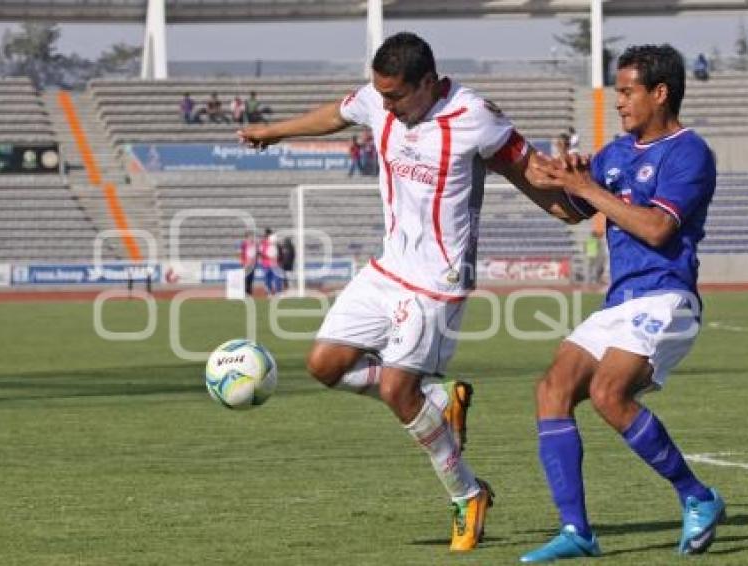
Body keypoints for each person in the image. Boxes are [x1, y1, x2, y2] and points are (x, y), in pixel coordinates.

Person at [240, 31, 582, 552]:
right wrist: (274, 131)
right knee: (325, 366)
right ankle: (441, 402)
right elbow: (337, 112)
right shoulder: (380, 101)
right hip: (387, 268)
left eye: (397, 95)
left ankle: (467, 494)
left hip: (438, 281)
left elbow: (526, 167)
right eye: (382, 95)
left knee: (400, 392)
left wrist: (575, 206)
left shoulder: (474, 115)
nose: (388, 105)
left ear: (429, 82)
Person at [519, 44, 724, 562]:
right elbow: (569, 210)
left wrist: (586, 185)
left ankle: (698, 497)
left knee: (610, 394)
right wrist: (537, 175)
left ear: (660, 93)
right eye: (618, 94)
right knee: (552, 388)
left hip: (667, 297)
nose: (620, 104)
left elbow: (657, 229)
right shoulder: (612, 154)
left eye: (628, 92)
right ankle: (577, 531)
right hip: (620, 301)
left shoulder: (689, 152)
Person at [259, 228, 281, 296]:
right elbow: (260, 253)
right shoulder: (263, 243)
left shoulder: (275, 243)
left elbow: (279, 252)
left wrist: (278, 258)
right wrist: (267, 257)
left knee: (277, 278)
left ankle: (278, 292)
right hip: (266, 264)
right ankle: (270, 292)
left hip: (274, 263)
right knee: (267, 279)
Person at [239, 230, 258, 295]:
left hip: (253, 264)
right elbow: (241, 254)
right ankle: (246, 291)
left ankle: (249, 292)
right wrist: (243, 263)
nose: (252, 238)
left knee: (251, 278)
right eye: (250, 236)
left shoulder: (254, 244)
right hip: (246, 264)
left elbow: (256, 254)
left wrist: (255, 262)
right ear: (247, 237)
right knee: (246, 278)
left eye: (252, 236)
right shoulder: (244, 244)